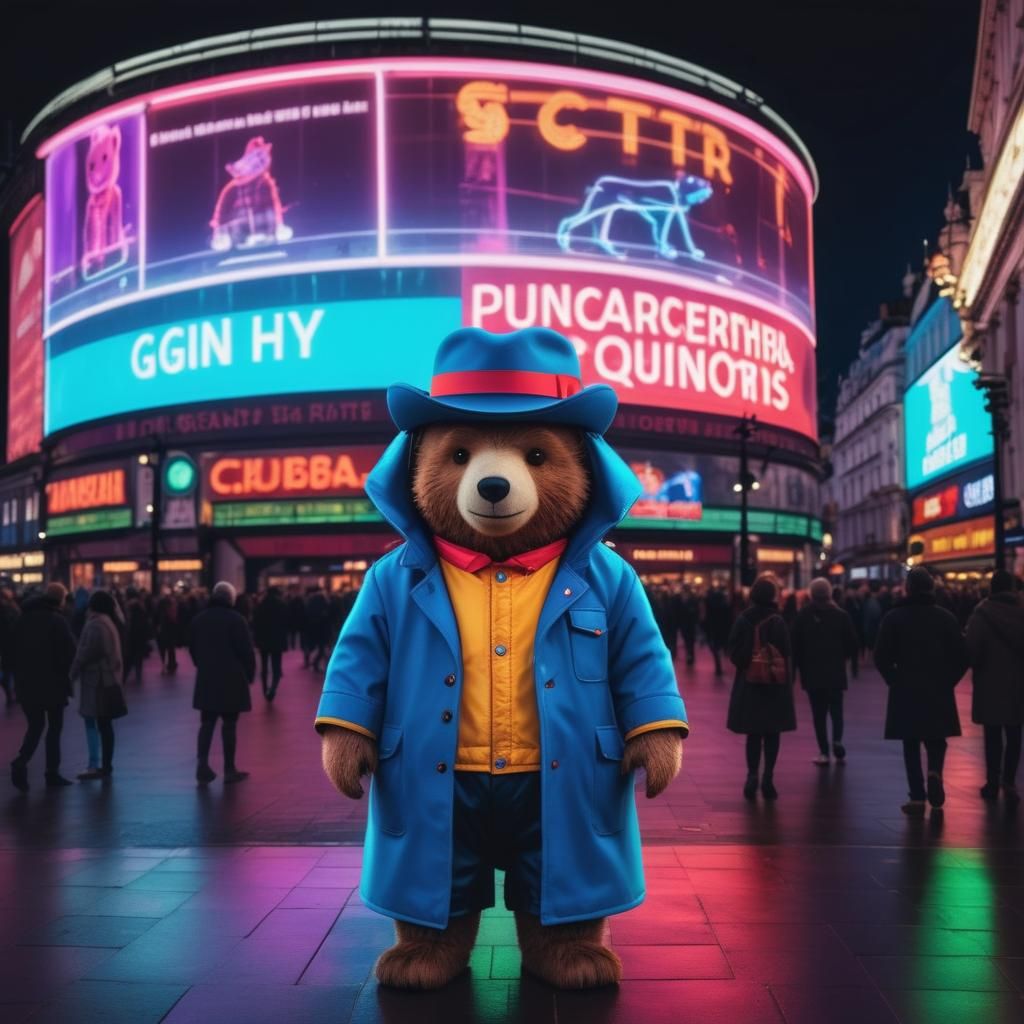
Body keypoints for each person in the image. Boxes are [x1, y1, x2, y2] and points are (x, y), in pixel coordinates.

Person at [873, 566, 969, 816]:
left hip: (906, 686)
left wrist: (893, 679)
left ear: (908, 588)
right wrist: (949, 680)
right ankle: (935, 770)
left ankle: (916, 796)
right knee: (937, 738)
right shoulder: (946, 617)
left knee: (911, 741)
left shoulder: (894, 618)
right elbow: (962, 656)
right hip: (938, 685)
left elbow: (881, 656)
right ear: (931, 588)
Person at [727, 574, 796, 800]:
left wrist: (748, 663)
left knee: (754, 734)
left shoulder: (743, 619)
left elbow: (734, 652)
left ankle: (752, 775)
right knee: (773, 733)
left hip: (751, 684)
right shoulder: (778, 620)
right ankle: (768, 777)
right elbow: (786, 652)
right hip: (775, 685)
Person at [10, 583, 77, 790]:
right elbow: (69, 651)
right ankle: (51, 772)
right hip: (53, 684)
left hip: (26, 684)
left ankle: (21, 761)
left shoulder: (22, 619)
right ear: (60, 599)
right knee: (54, 728)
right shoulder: (57, 621)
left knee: (35, 726)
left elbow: (12, 649)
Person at [965, 570, 1024, 806]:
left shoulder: (982, 614)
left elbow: (971, 651)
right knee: (1015, 732)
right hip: (1018, 681)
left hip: (989, 682)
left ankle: (992, 781)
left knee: (992, 735)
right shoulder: (1022, 612)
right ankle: (1009, 781)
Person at [189, 581, 256, 784]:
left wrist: (202, 664)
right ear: (231, 598)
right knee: (229, 723)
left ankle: (202, 765)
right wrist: (249, 674)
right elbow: (246, 651)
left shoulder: (199, 619)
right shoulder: (236, 620)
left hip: (207, 677)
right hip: (232, 678)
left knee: (207, 723)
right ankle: (229, 768)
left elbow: (193, 649)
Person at [791, 577, 859, 765]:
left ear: (812, 594)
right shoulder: (841, 615)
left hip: (812, 673)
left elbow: (794, 645)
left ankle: (823, 751)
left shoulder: (804, 615)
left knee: (818, 714)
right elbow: (853, 644)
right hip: (835, 671)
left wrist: (795, 670)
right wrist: (844, 659)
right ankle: (837, 740)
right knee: (836, 710)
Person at [71, 590, 125, 781]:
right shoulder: (109, 622)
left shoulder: (96, 624)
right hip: (107, 679)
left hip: (97, 681)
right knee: (105, 724)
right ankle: (105, 765)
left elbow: (86, 652)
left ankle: (95, 764)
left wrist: (73, 672)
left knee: (94, 722)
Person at [253, 586, 288, 700]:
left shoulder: (260, 605)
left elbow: (255, 623)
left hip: (263, 640)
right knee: (276, 667)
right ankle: (273, 689)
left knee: (264, 666)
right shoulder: (282, 605)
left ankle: (264, 689)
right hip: (277, 640)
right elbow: (286, 622)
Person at [121, 588, 150, 686]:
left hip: (132, 637)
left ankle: (124, 678)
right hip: (139, 638)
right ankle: (137, 675)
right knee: (137, 658)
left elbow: (129, 624)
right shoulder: (141, 606)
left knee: (129, 658)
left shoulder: (130, 606)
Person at [703, 585, 734, 677]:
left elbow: (707, 619)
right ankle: (724, 656)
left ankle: (718, 665)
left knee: (715, 648)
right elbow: (729, 619)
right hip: (723, 630)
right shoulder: (726, 606)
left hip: (714, 629)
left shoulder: (711, 606)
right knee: (722, 645)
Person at [0, 587, 21, 705]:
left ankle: (10, 695)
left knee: (7, 673)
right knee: (13, 672)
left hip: (6, 646)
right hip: (13, 646)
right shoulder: (14, 609)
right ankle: (14, 694)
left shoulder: (8, 610)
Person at [155, 589, 179, 673]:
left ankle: (164, 665)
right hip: (170, 630)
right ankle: (171, 664)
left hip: (163, 630)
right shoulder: (172, 607)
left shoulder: (160, 608)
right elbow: (175, 619)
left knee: (163, 649)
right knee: (171, 648)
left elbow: (156, 617)